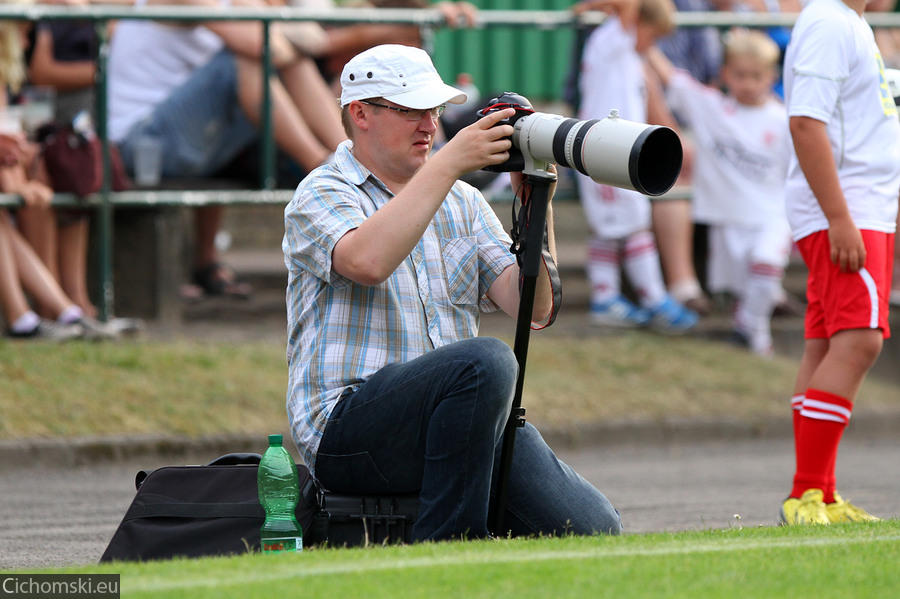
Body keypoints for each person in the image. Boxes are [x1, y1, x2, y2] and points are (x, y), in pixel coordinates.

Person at [283, 44, 622, 541]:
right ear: (361, 114)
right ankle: (450, 551)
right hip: (346, 431)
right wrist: (449, 163)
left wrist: (537, 202)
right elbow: (367, 262)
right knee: (487, 361)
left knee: (593, 528)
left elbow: (534, 306)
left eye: (435, 111)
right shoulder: (322, 190)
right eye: (411, 110)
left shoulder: (463, 199)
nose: (429, 125)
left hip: (460, 418)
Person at [108, 0, 348, 299]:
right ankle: (322, 165)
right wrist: (270, 26)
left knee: (284, 59)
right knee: (245, 58)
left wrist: (269, 25)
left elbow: (313, 40)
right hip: (142, 144)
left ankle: (347, 158)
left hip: (186, 139)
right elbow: (270, 48)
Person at [779, 0, 900, 525]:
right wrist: (840, 218)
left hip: (861, 207)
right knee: (860, 338)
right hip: (848, 209)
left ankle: (821, 496)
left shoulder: (851, 21)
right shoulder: (830, 20)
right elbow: (806, 123)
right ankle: (805, 492)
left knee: (830, 339)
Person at [647, 30, 792, 356]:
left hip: (773, 215)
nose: (749, 83)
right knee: (744, 284)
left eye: (757, 76)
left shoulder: (784, 120)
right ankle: (747, 327)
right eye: (740, 75)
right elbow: (675, 78)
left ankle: (756, 333)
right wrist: (645, 45)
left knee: (767, 265)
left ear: (772, 76)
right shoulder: (711, 108)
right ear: (726, 74)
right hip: (729, 216)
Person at [574, 0, 699, 331]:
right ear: (636, 22)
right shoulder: (611, 39)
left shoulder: (626, 52)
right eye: (652, 35)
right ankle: (652, 299)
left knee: (619, 224)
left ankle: (609, 296)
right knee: (629, 223)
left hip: (617, 149)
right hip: (605, 149)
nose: (652, 44)